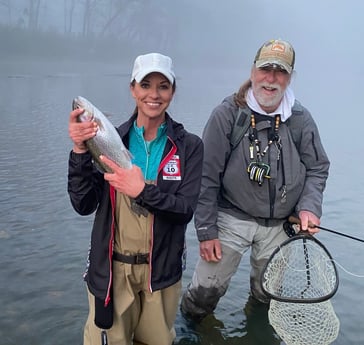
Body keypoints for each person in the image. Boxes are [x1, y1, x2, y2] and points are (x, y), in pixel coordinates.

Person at [180, 39, 330, 320]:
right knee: (202, 297)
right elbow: (206, 176)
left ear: (290, 77)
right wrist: (206, 231)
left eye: (280, 71)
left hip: (281, 227)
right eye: (265, 69)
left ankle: (256, 329)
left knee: (266, 297)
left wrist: (309, 207)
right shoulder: (227, 114)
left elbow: (317, 168)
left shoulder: (301, 120)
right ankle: (190, 331)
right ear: (252, 71)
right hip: (230, 220)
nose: (271, 78)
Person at [68, 52, 203, 345]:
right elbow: (83, 204)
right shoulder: (109, 140)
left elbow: (184, 210)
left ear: (173, 91)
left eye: (163, 86)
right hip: (112, 273)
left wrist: (142, 191)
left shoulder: (189, 146)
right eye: (145, 85)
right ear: (132, 89)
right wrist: (80, 150)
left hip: (162, 273)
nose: (154, 94)